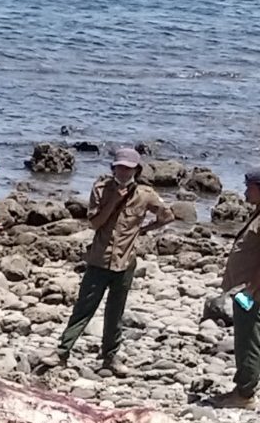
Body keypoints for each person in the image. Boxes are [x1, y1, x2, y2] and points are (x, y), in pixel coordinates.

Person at [40, 146, 174, 373]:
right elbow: (94, 223)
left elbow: (167, 216)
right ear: (113, 168)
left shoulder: (145, 194)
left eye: (128, 168)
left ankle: (110, 357)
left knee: (115, 312)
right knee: (83, 308)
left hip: (125, 261)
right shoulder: (101, 189)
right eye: (119, 167)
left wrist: (144, 230)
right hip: (99, 260)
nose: (123, 172)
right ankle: (62, 352)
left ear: (136, 170)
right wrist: (113, 202)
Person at [211, 168, 260, 408]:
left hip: (253, 292)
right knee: (245, 338)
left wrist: (252, 289)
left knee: (248, 340)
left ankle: (245, 394)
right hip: (247, 289)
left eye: (249, 187)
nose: (245, 191)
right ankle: (243, 388)